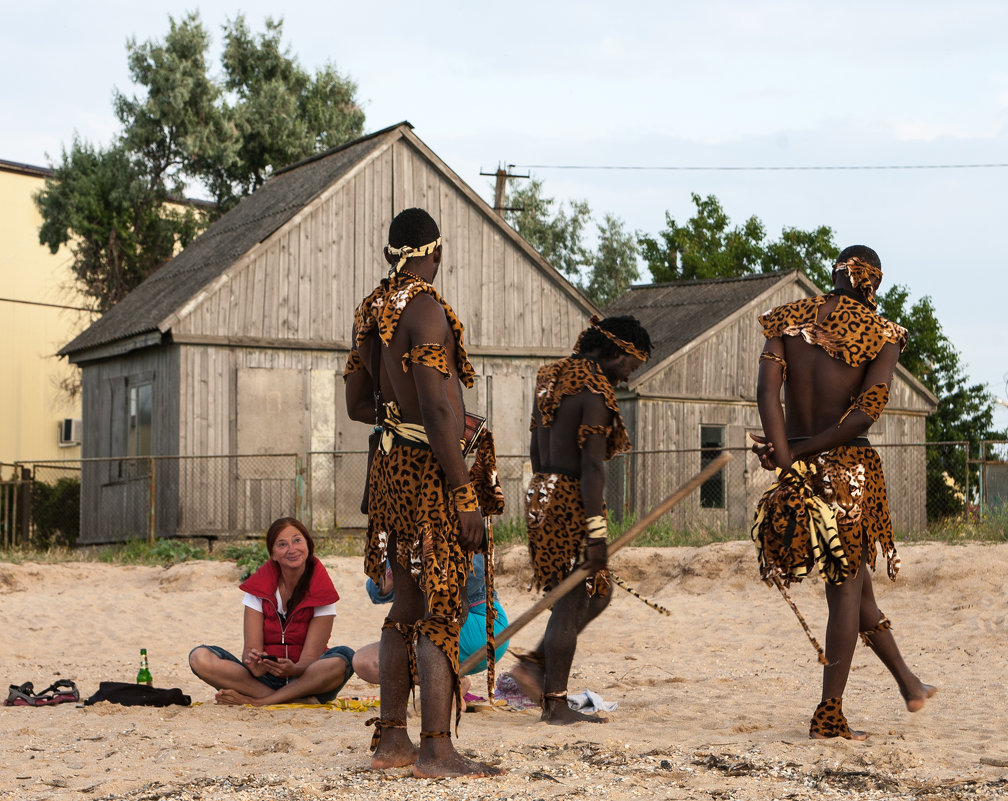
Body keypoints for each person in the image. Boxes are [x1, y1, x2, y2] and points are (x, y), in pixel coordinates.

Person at [750, 245, 936, 739]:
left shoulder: (786, 319)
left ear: (835, 275)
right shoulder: (883, 334)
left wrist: (789, 457)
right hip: (846, 472)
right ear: (871, 282)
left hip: (800, 468)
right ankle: (828, 716)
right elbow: (865, 413)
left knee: (858, 592)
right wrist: (808, 454)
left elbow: (768, 395)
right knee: (846, 593)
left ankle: (909, 684)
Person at [344, 207, 504, 777]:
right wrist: (464, 493)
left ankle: (391, 743)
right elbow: (437, 405)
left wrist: (399, 415)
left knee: (405, 604)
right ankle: (437, 749)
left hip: (388, 472)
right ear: (433, 251)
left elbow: (357, 405)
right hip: (429, 473)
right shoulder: (426, 308)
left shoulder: (372, 308)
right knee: (443, 604)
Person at [511, 314, 651, 725]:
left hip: (540, 491)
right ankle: (554, 702)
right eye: (630, 366)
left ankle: (537, 663)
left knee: (597, 592)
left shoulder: (551, 377)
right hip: (571, 498)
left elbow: (537, 443)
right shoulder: (595, 392)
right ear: (615, 351)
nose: (627, 378)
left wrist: (544, 492)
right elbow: (593, 468)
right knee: (570, 602)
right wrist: (595, 533)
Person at [188, 517, 355, 706]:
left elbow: (310, 658)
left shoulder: (321, 589)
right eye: (282, 544)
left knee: (345, 658)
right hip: (263, 680)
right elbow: (250, 650)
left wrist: (294, 669)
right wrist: (255, 664)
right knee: (199, 657)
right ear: (273, 554)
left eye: (297, 540)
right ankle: (292, 701)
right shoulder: (259, 589)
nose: (292, 549)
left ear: (308, 544)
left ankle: (260, 702)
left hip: (305, 679)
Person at [352, 553, 511, 698]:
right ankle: (452, 685)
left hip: (481, 626)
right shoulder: (401, 536)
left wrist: (420, 573)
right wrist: (392, 578)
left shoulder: (454, 525)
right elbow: (376, 592)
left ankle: (448, 689)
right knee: (365, 662)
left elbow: (476, 572)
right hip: (436, 630)